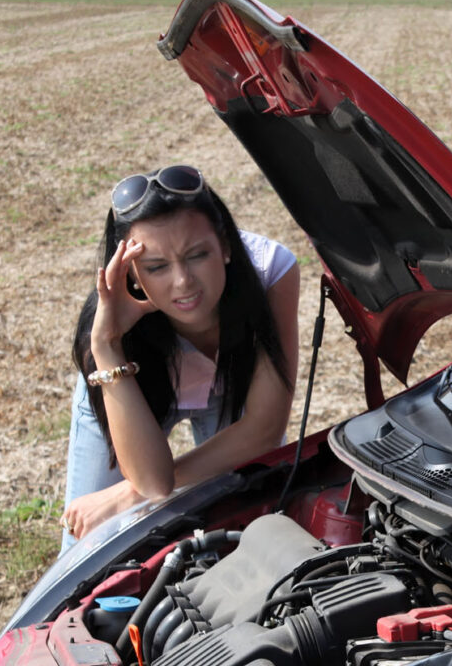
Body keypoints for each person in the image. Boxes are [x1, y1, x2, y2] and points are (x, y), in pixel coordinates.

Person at [60, 165, 299, 550]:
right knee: (90, 546)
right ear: (132, 274)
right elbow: (154, 482)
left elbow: (264, 430)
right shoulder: (104, 333)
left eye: (196, 255)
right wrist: (107, 345)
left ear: (225, 245)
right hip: (128, 382)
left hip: (231, 386)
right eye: (156, 267)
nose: (183, 282)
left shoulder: (271, 272)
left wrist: (126, 496)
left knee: (249, 529)